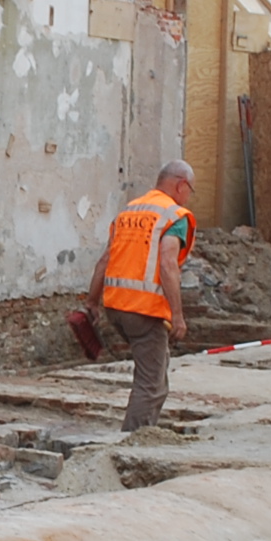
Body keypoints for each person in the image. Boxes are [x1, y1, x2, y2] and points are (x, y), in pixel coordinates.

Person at [85, 161, 196, 432]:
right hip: (145, 311)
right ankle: (131, 445)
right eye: (190, 190)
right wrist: (178, 316)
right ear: (181, 184)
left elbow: (104, 260)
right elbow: (168, 264)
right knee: (150, 386)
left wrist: (91, 302)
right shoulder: (173, 216)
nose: (189, 196)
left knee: (156, 370)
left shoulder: (129, 211)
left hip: (116, 308)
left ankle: (144, 433)